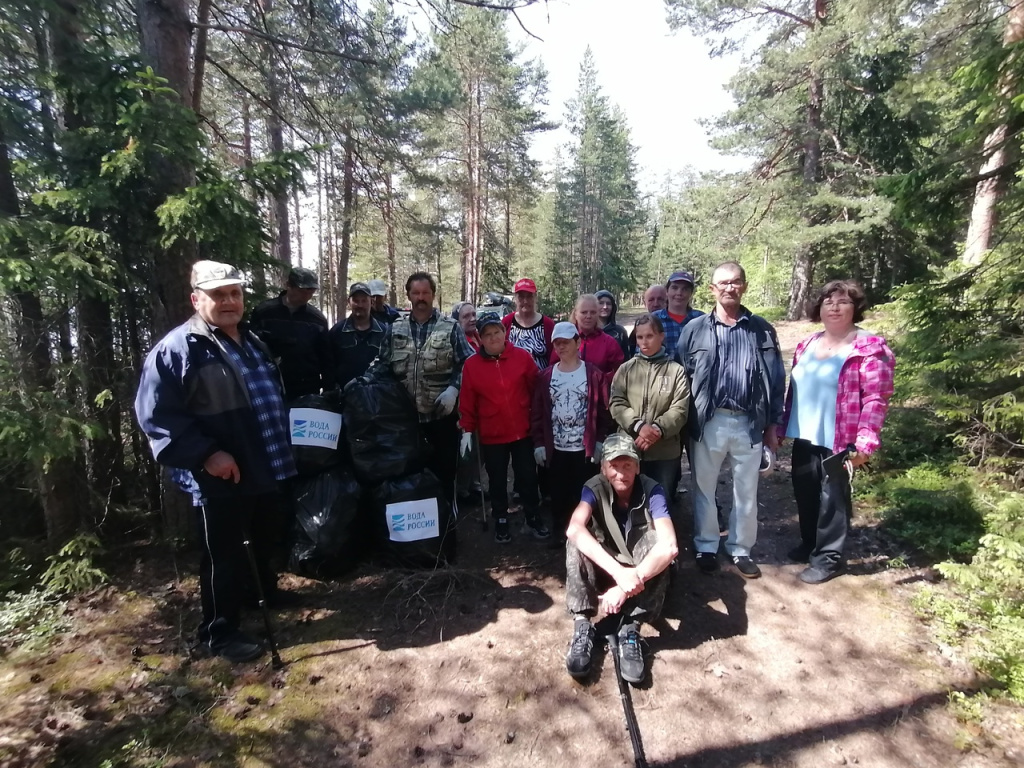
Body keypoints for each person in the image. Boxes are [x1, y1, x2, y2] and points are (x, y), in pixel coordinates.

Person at [135, 261, 297, 664]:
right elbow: (156, 417)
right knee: (223, 553)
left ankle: (261, 594)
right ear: (196, 300)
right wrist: (206, 454)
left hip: (264, 463)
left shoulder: (252, 340)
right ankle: (219, 631)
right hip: (221, 474)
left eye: (234, 293)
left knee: (263, 536)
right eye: (218, 295)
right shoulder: (178, 349)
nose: (228, 301)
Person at [780, 280, 895, 584]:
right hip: (805, 434)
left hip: (841, 439)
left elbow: (876, 398)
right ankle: (810, 544)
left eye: (843, 301)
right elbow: (795, 390)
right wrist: (782, 425)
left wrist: (865, 443)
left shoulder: (870, 347)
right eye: (828, 302)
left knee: (833, 500)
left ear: (855, 308)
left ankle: (829, 559)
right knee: (805, 493)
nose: (834, 307)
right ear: (819, 308)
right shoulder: (807, 344)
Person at [677, 261, 785, 579]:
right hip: (707, 421)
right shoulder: (694, 329)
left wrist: (773, 426)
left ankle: (740, 548)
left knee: (747, 490)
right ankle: (706, 545)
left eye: (735, 282)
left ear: (744, 286)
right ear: (712, 289)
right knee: (703, 487)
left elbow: (776, 380)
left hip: (749, 422)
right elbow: (680, 376)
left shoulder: (762, 330)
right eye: (723, 283)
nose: (729, 287)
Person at [563, 435, 679, 683]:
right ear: (603, 468)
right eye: (614, 466)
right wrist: (618, 574)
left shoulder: (653, 490)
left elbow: (670, 545)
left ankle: (631, 627)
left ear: (637, 467)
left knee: (656, 544)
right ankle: (582, 624)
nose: (621, 473)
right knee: (576, 542)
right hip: (609, 567)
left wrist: (626, 586)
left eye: (627, 465)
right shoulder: (593, 487)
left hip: (639, 572)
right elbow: (574, 528)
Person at [365, 272, 475, 506]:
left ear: (433, 295)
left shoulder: (451, 328)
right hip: (404, 420)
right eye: (416, 293)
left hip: (441, 418)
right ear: (409, 296)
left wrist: (454, 390)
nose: (421, 297)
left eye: (425, 292)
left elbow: (468, 363)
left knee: (443, 474)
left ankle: (446, 519)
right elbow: (382, 363)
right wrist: (363, 383)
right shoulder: (395, 329)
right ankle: (415, 524)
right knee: (408, 475)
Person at [459, 312, 547, 543]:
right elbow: (467, 401)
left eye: (496, 332)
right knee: (496, 479)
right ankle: (500, 518)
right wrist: (467, 430)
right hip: (492, 434)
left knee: (527, 476)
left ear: (504, 332)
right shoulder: (471, 365)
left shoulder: (522, 357)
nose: (493, 337)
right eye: (487, 334)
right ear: (480, 338)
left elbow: (536, 389)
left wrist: (539, 421)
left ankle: (532, 516)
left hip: (522, 431)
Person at [532, 321, 613, 538]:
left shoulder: (593, 375)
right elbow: (538, 413)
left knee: (584, 493)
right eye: (557, 343)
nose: (561, 347)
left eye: (566, 342)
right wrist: (539, 443)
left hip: (583, 450)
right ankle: (560, 532)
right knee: (558, 493)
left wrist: (599, 441)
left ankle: (586, 535)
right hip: (556, 449)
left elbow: (604, 412)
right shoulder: (545, 377)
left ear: (578, 343)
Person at [610, 314, 690, 521]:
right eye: (640, 337)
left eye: (649, 336)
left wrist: (656, 429)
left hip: (664, 451)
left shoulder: (675, 371)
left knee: (660, 501)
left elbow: (680, 409)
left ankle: (660, 538)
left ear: (661, 336)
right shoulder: (626, 369)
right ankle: (628, 538)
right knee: (627, 500)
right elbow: (616, 402)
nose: (644, 342)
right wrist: (638, 426)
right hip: (630, 447)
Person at [248, 266, 332, 398]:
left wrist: (329, 388)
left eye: (311, 291)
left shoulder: (317, 319)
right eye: (302, 291)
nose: (307, 296)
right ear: (288, 286)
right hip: (271, 384)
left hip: (307, 388)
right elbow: (251, 348)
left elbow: (326, 357)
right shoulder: (264, 312)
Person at [327, 282, 387, 390]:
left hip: (375, 396)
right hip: (344, 396)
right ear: (349, 302)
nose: (360, 305)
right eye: (356, 301)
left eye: (364, 301)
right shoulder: (337, 332)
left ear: (371, 302)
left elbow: (388, 367)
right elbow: (328, 367)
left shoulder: (383, 332)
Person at [549, 294, 625, 377]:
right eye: (584, 312)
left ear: (598, 314)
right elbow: (553, 369)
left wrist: (601, 380)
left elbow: (620, 374)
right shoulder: (564, 340)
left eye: (593, 312)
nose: (588, 316)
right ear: (575, 314)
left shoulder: (609, 343)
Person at [502, 277, 555, 370]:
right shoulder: (507, 322)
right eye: (521, 297)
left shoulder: (548, 324)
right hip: (512, 377)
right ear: (515, 298)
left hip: (541, 377)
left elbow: (555, 356)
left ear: (535, 297)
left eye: (529, 296)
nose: (525, 301)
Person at [651, 270, 703, 361]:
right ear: (667, 291)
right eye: (674, 288)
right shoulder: (654, 319)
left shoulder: (701, 320)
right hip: (662, 369)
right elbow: (642, 354)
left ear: (691, 293)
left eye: (685, 289)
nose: (679, 293)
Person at [627, 284, 668, 356]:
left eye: (660, 299)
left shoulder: (673, 324)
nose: (656, 304)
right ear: (645, 302)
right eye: (651, 300)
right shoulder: (639, 327)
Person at [595, 290, 629, 357]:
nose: (605, 307)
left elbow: (626, 358)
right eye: (601, 303)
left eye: (608, 304)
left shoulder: (620, 332)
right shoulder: (587, 331)